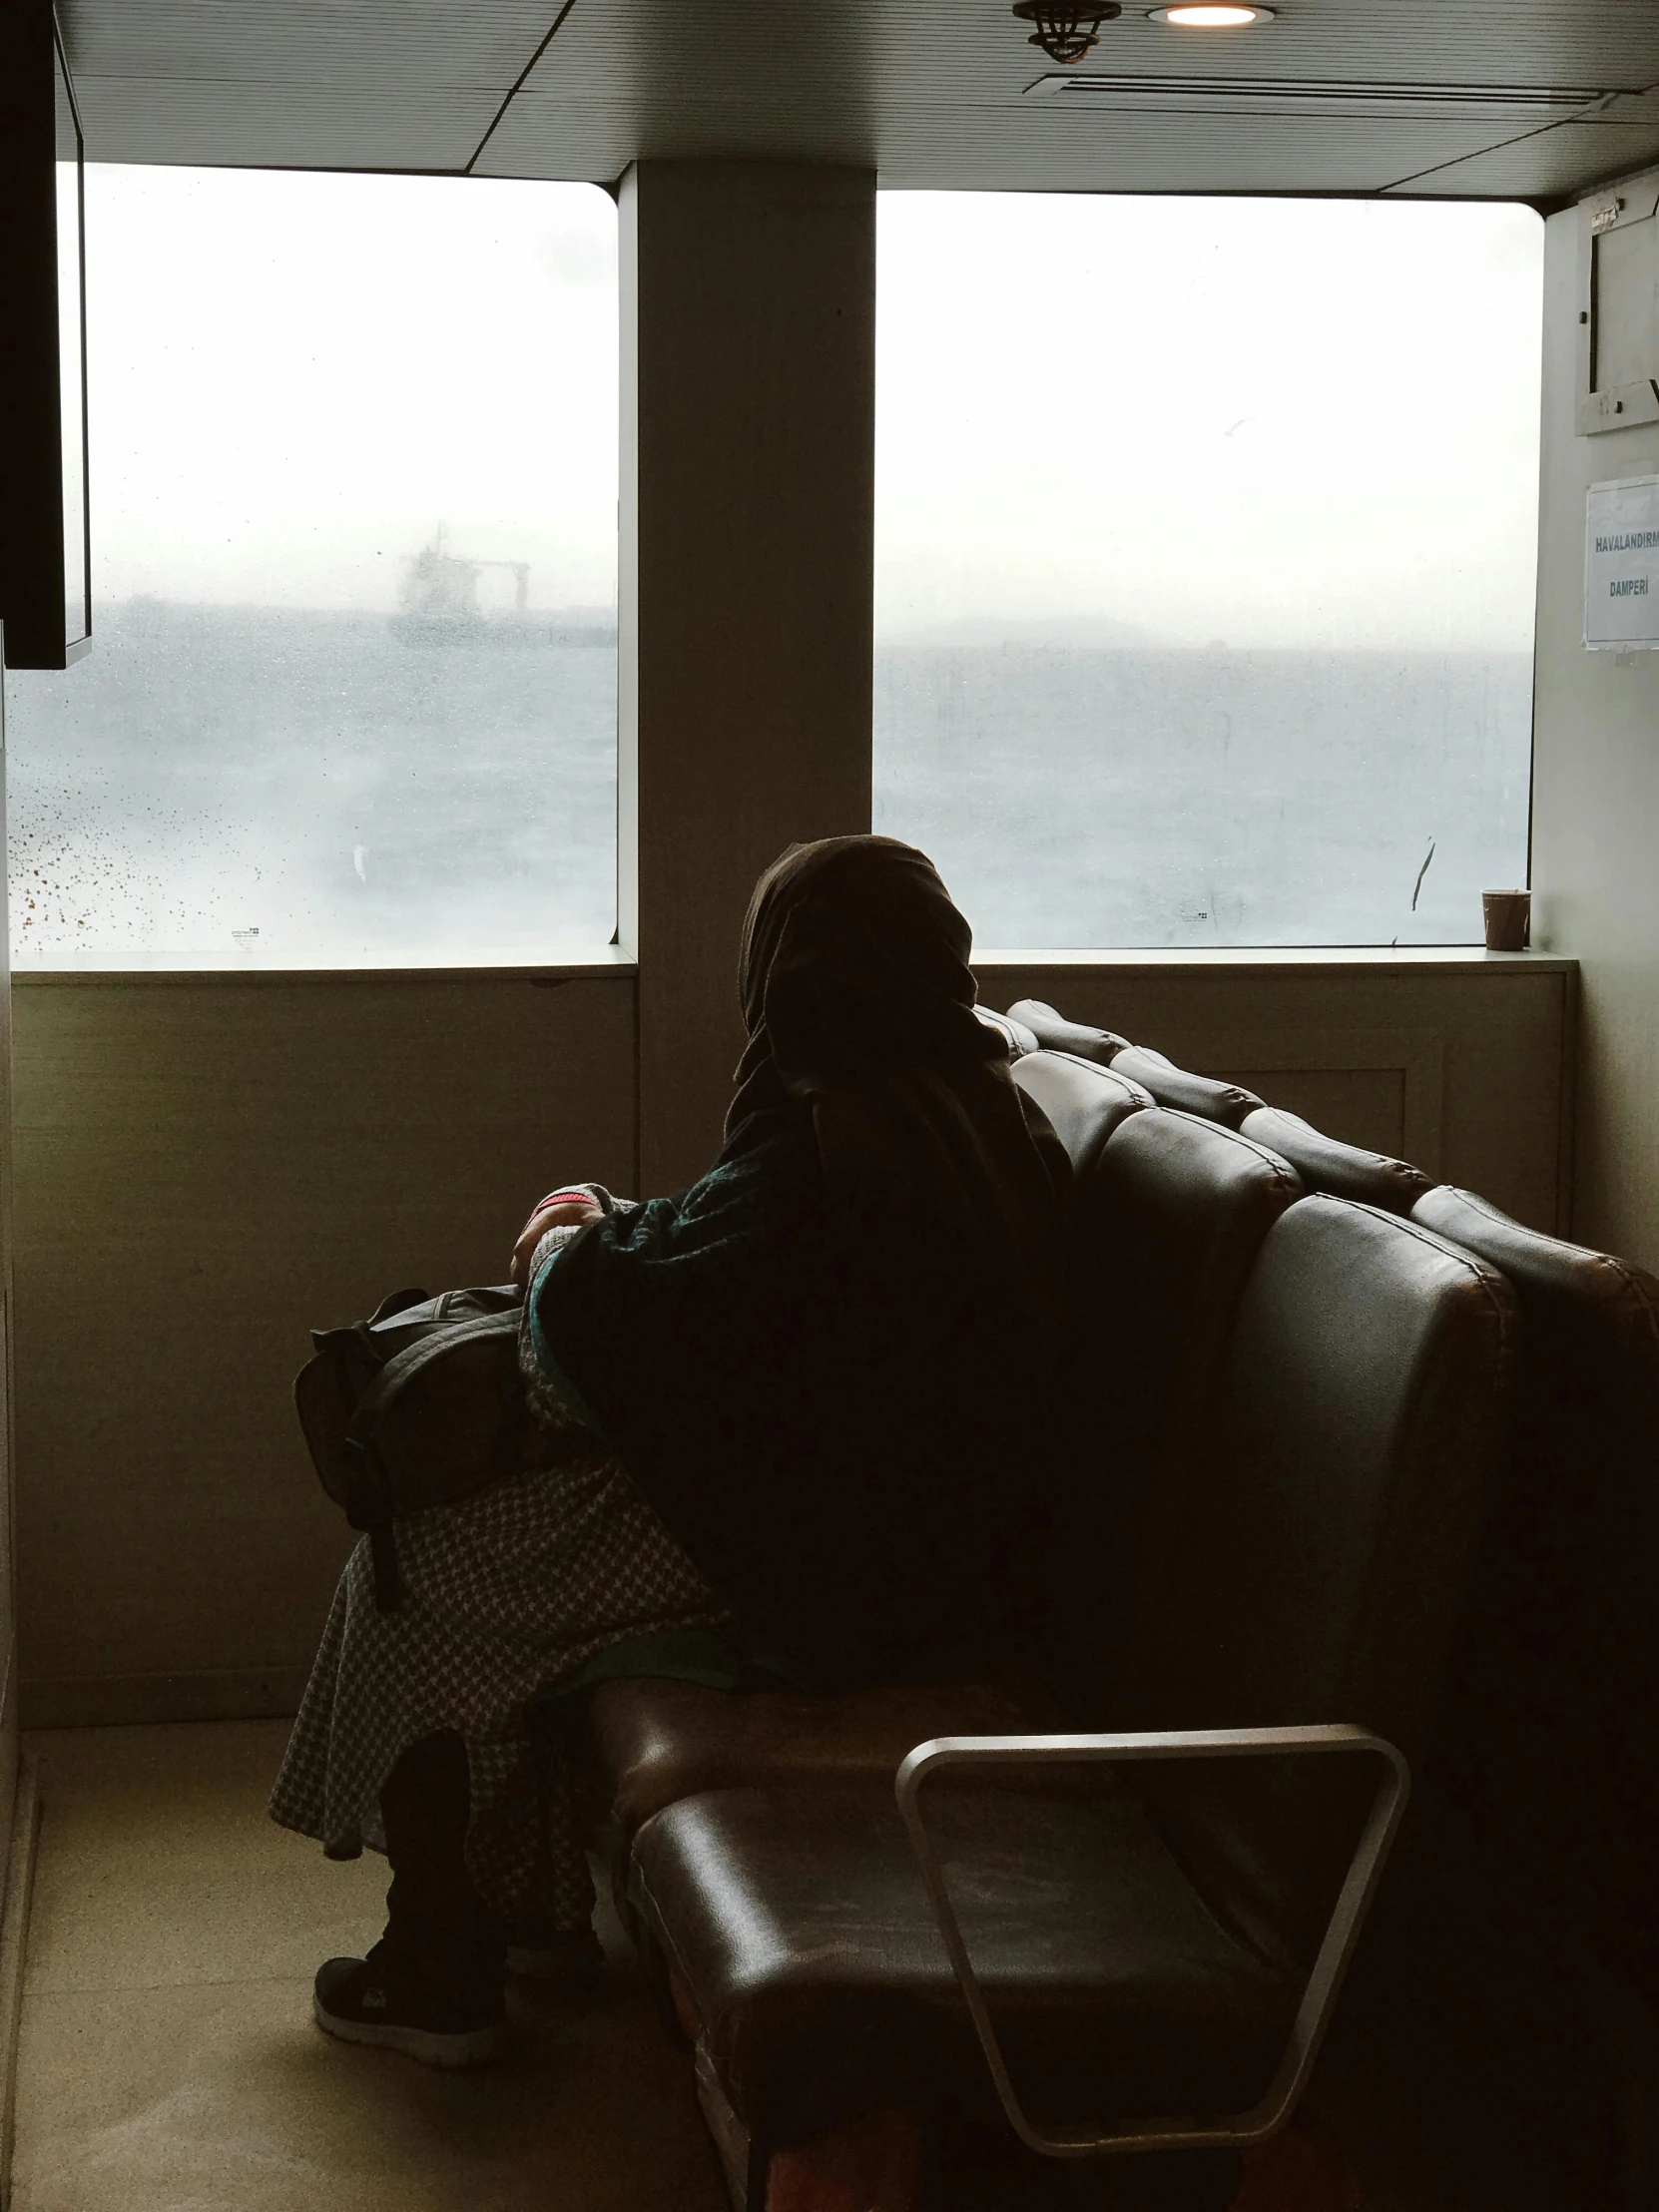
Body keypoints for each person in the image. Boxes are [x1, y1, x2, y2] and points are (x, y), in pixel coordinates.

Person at [270, 833, 1069, 2066]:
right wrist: (618, 1235)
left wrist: (560, 1240)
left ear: (786, 973)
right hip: (919, 1542)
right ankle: (522, 1915)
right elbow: (736, 1293)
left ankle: (441, 1963)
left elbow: (621, 1324)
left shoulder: (826, 1142)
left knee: (416, 1568)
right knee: (495, 1539)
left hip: (836, 1584)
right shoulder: (979, 1109)